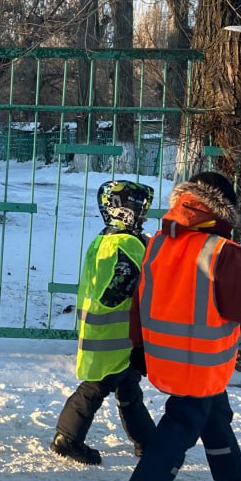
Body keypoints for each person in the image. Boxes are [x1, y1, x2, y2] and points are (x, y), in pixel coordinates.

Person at [122, 172, 241, 481]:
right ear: (224, 209)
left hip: (163, 352)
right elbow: (238, 307)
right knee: (183, 421)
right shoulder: (224, 251)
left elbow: (139, 299)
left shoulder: (159, 242)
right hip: (203, 358)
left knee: (214, 411)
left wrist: (138, 345)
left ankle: (232, 474)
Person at [50, 180, 157, 466]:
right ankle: (67, 438)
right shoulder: (125, 243)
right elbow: (117, 289)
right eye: (139, 210)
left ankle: (147, 440)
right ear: (124, 212)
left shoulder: (106, 239)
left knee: (128, 387)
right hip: (115, 333)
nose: (144, 216)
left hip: (111, 331)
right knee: (96, 387)